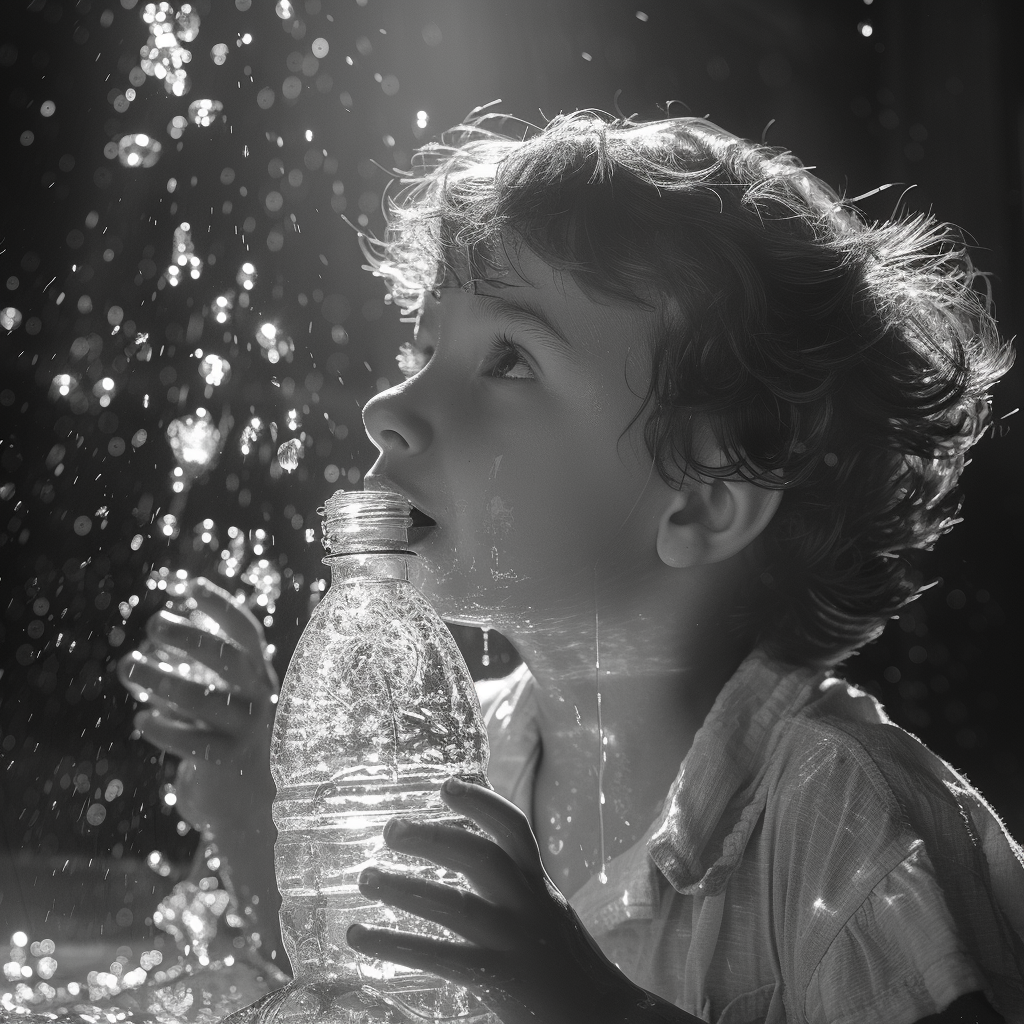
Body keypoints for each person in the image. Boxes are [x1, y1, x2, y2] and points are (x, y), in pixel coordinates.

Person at [119, 112, 1024, 1023]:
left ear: (704, 499)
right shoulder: (463, 756)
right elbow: (368, 991)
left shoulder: (840, 819)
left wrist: (597, 1009)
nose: (387, 405)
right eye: (422, 348)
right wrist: (247, 806)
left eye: (508, 360)